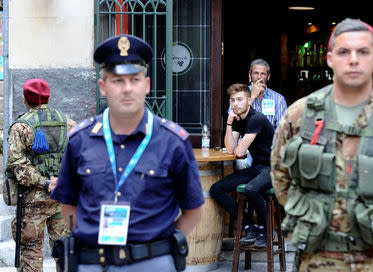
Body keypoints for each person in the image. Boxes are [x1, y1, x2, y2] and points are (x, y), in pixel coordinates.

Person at [271, 18, 373, 272]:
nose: (353, 59)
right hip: (318, 259)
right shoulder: (300, 115)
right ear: (330, 59)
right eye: (343, 52)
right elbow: (280, 180)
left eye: (362, 52)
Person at [50, 34, 204, 272]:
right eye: (117, 81)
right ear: (103, 87)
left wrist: (158, 245)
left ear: (148, 85)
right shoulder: (80, 140)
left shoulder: (173, 142)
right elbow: (68, 205)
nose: (127, 89)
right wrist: (92, 237)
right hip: (92, 262)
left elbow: (193, 210)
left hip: (153, 263)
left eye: (135, 79)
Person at [6, 78, 76, 272]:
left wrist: (45, 183)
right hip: (62, 199)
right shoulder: (68, 123)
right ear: (48, 98)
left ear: (24, 99)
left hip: (32, 202)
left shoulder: (21, 127)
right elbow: (81, 159)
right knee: (66, 253)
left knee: (30, 255)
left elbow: (18, 167)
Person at [211, 83, 274, 248]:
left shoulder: (256, 119)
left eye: (240, 100)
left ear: (248, 101)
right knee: (216, 189)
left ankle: (265, 229)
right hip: (257, 167)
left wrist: (237, 147)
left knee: (251, 189)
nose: (235, 104)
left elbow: (239, 152)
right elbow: (231, 149)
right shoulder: (239, 120)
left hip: (273, 168)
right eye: (232, 100)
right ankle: (248, 225)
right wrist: (229, 123)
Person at [231, 58, 287, 171]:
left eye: (263, 74)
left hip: (268, 148)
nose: (259, 77)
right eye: (256, 73)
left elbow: (283, 129)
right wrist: (252, 96)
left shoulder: (278, 99)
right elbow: (233, 119)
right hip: (245, 146)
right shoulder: (239, 96)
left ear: (268, 77)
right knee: (240, 162)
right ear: (250, 75)